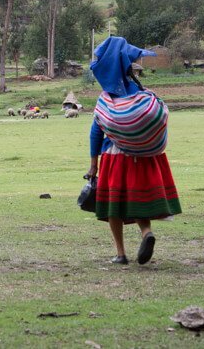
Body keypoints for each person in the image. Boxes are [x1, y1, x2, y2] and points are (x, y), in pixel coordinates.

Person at [87, 36, 181, 265]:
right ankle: (146, 233)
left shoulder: (107, 100)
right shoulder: (141, 93)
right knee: (136, 200)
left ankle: (120, 253)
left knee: (114, 206)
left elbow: (95, 133)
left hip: (114, 157)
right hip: (142, 158)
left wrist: (93, 165)